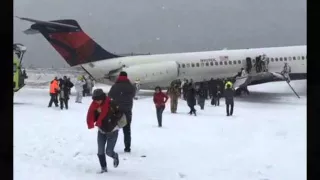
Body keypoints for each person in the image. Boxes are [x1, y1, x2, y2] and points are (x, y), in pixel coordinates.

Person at [86, 89, 121, 173]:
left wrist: (112, 121)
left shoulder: (111, 103)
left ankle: (115, 156)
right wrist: (97, 113)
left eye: (99, 100)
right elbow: (93, 118)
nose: (97, 102)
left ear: (103, 98)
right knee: (100, 151)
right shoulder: (94, 106)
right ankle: (103, 168)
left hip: (112, 131)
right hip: (101, 130)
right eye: (95, 100)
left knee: (108, 152)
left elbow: (119, 114)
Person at [108, 71, 136, 153]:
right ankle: (127, 147)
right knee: (127, 130)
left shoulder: (115, 86)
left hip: (116, 110)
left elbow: (110, 96)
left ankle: (111, 147)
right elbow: (133, 95)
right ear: (126, 77)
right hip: (127, 111)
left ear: (119, 76)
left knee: (113, 129)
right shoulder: (130, 86)